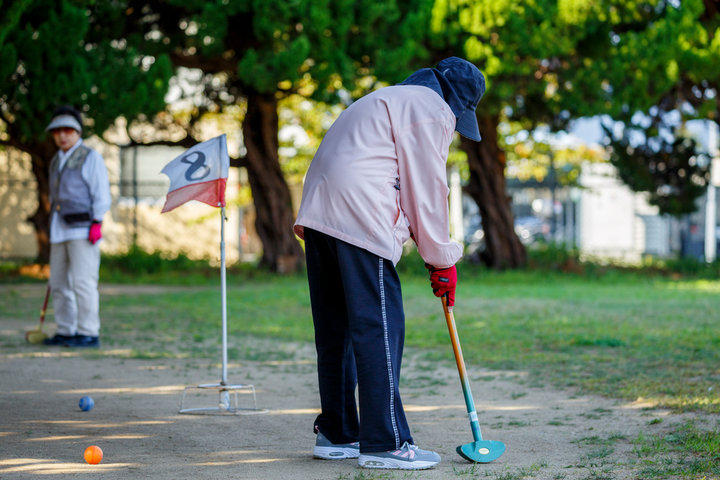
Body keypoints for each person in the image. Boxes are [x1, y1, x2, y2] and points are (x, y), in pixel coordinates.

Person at [293, 57, 486, 470]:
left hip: (319, 211)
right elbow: (428, 188)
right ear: (456, 104)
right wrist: (441, 259)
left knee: (337, 328)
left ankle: (338, 432)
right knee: (379, 324)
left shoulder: (388, 98)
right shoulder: (432, 108)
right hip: (360, 212)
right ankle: (385, 442)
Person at [43, 105, 111, 348]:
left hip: (83, 230)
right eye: (58, 130)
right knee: (59, 283)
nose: (63, 135)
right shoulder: (55, 161)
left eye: (68, 130)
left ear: (78, 131)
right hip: (59, 229)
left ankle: (88, 332)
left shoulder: (90, 157)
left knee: (83, 282)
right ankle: (66, 329)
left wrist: (97, 222)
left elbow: (101, 193)